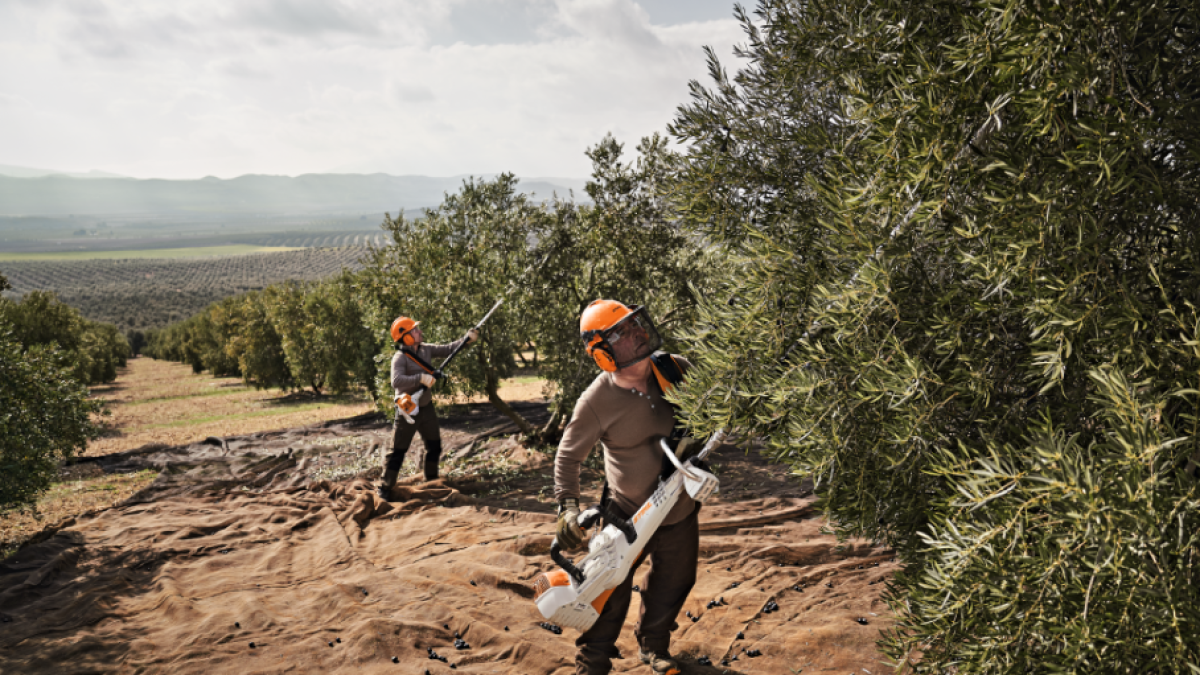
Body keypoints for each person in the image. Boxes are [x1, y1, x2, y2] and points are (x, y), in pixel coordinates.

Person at [553, 299, 696, 675]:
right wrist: (568, 507)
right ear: (602, 354)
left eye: (635, 324)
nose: (637, 332)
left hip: (678, 507)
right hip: (626, 513)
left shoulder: (675, 369)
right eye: (622, 332)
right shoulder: (596, 401)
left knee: (676, 580)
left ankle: (654, 645)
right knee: (608, 590)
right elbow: (567, 457)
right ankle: (592, 662)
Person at [378, 315, 477, 499]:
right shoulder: (400, 358)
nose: (419, 332)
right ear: (406, 337)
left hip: (426, 407)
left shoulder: (426, 349)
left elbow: (449, 349)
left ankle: (431, 480)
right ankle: (385, 488)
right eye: (415, 330)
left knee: (434, 446)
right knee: (397, 451)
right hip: (407, 410)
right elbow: (396, 381)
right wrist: (420, 378)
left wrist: (466, 340)